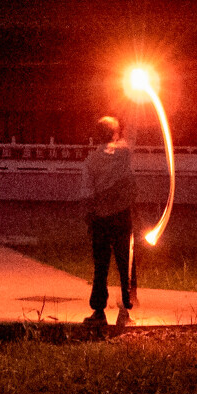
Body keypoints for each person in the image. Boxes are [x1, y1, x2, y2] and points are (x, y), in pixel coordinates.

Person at [81, 113, 136, 326]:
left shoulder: (91, 159)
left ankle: (98, 311)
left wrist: (89, 216)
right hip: (121, 214)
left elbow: (87, 192)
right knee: (125, 263)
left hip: (100, 218)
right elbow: (128, 181)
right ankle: (125, 309)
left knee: (101, 265)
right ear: (115, 133)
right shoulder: (123, 153)